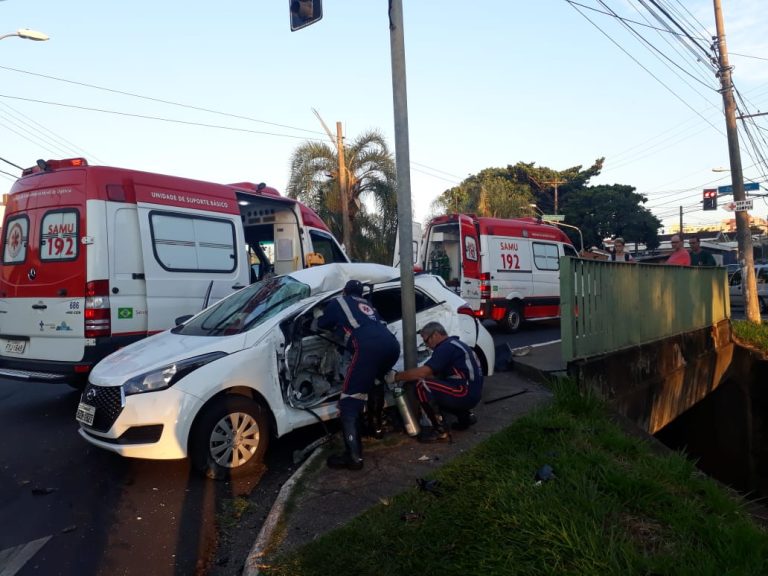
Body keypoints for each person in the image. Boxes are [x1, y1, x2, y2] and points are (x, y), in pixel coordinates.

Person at [317, 279, 400, 471]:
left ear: (344, 291)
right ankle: (376, 429)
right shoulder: (367, 304)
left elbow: (323, 323)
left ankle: (353, 457)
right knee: (376, 382)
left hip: (367, 348)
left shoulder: (338, 302)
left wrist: (317, 320)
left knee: (348, 403)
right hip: (391, 346)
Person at [389, 321, 483, 443]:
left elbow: (423, 373)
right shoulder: (456, 344)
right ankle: (464, 417)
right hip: (473, 392)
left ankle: (439, 430)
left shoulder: (445, 347)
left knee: (423, 386)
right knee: (437, 385)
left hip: (464, 393)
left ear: (435, 335)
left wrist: (397, 376)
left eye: (426, 340)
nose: (427, 345)